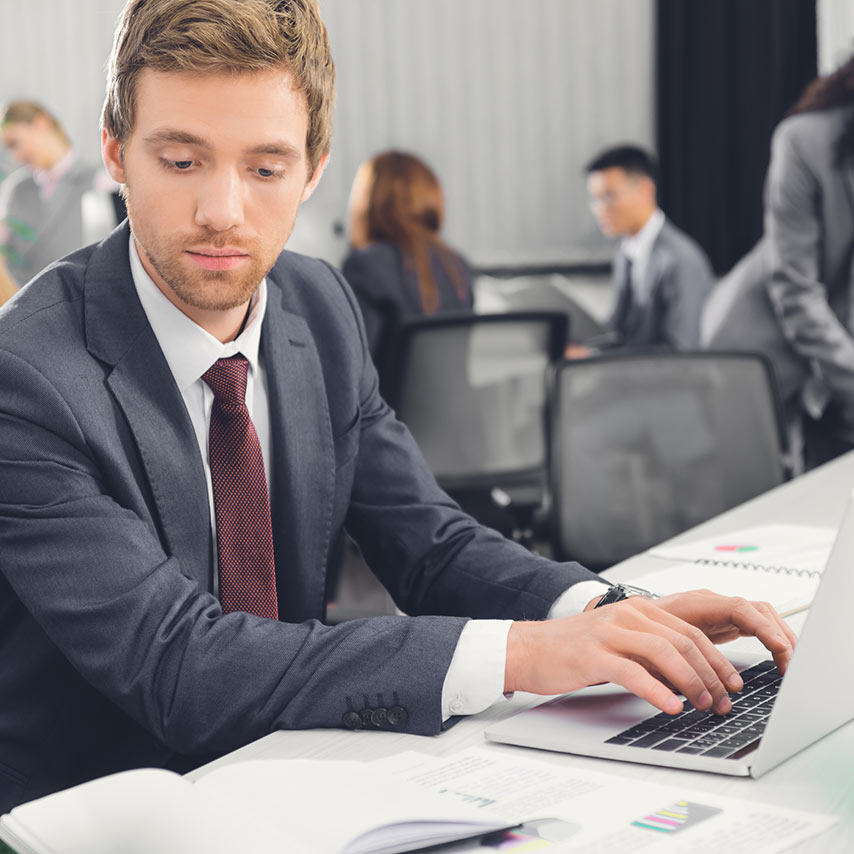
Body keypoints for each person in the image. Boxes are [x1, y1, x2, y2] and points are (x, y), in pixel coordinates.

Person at [0, 0, 795, 812]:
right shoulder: (26, 374)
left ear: (313, 169)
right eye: (180, 161)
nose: (223, 212)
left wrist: (604, 613)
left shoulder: (320, 308)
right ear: (115, 155)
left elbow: (430, 545)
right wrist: (525, 653)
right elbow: (180, 664)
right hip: (97, 810)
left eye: (266, 169)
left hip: (297, 773)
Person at [702, 53, 854, 470]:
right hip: (762, 347)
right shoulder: (805, 140)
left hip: (835, 362)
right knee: (767, 500)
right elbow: (795, 289)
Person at [574, 145, 714, 356]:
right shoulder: (625, 252)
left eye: (609, 196)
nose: (600, 209)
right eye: (595, 199)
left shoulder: (680, 260)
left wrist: (595, 358)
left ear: (646, 190)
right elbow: (620, 330)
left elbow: (682, 353)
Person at [342, 150, 473, 368]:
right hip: (451, 402)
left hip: (388, 403)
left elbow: (354, 371)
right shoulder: (458, 267)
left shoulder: (365, 266)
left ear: (368, 204)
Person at [0, 101, 119, 288]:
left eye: (15, 144)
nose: (17, 157)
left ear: (41, 123)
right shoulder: (16, 191)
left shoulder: (100, 183)